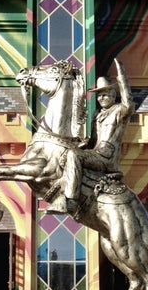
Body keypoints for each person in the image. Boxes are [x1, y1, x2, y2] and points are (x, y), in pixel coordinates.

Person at [56, 58, 134, 213]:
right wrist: (81, 144)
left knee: (74, 156)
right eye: (99, 96)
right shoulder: (97, 115)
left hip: (106, 158)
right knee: (65, 154)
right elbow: (93, 141)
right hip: (95, 153)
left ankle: (71, 200)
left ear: (113, 94)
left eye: (105, 95)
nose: (101, 98)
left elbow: (129, 104)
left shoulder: (119, 111)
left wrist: (122, 77)